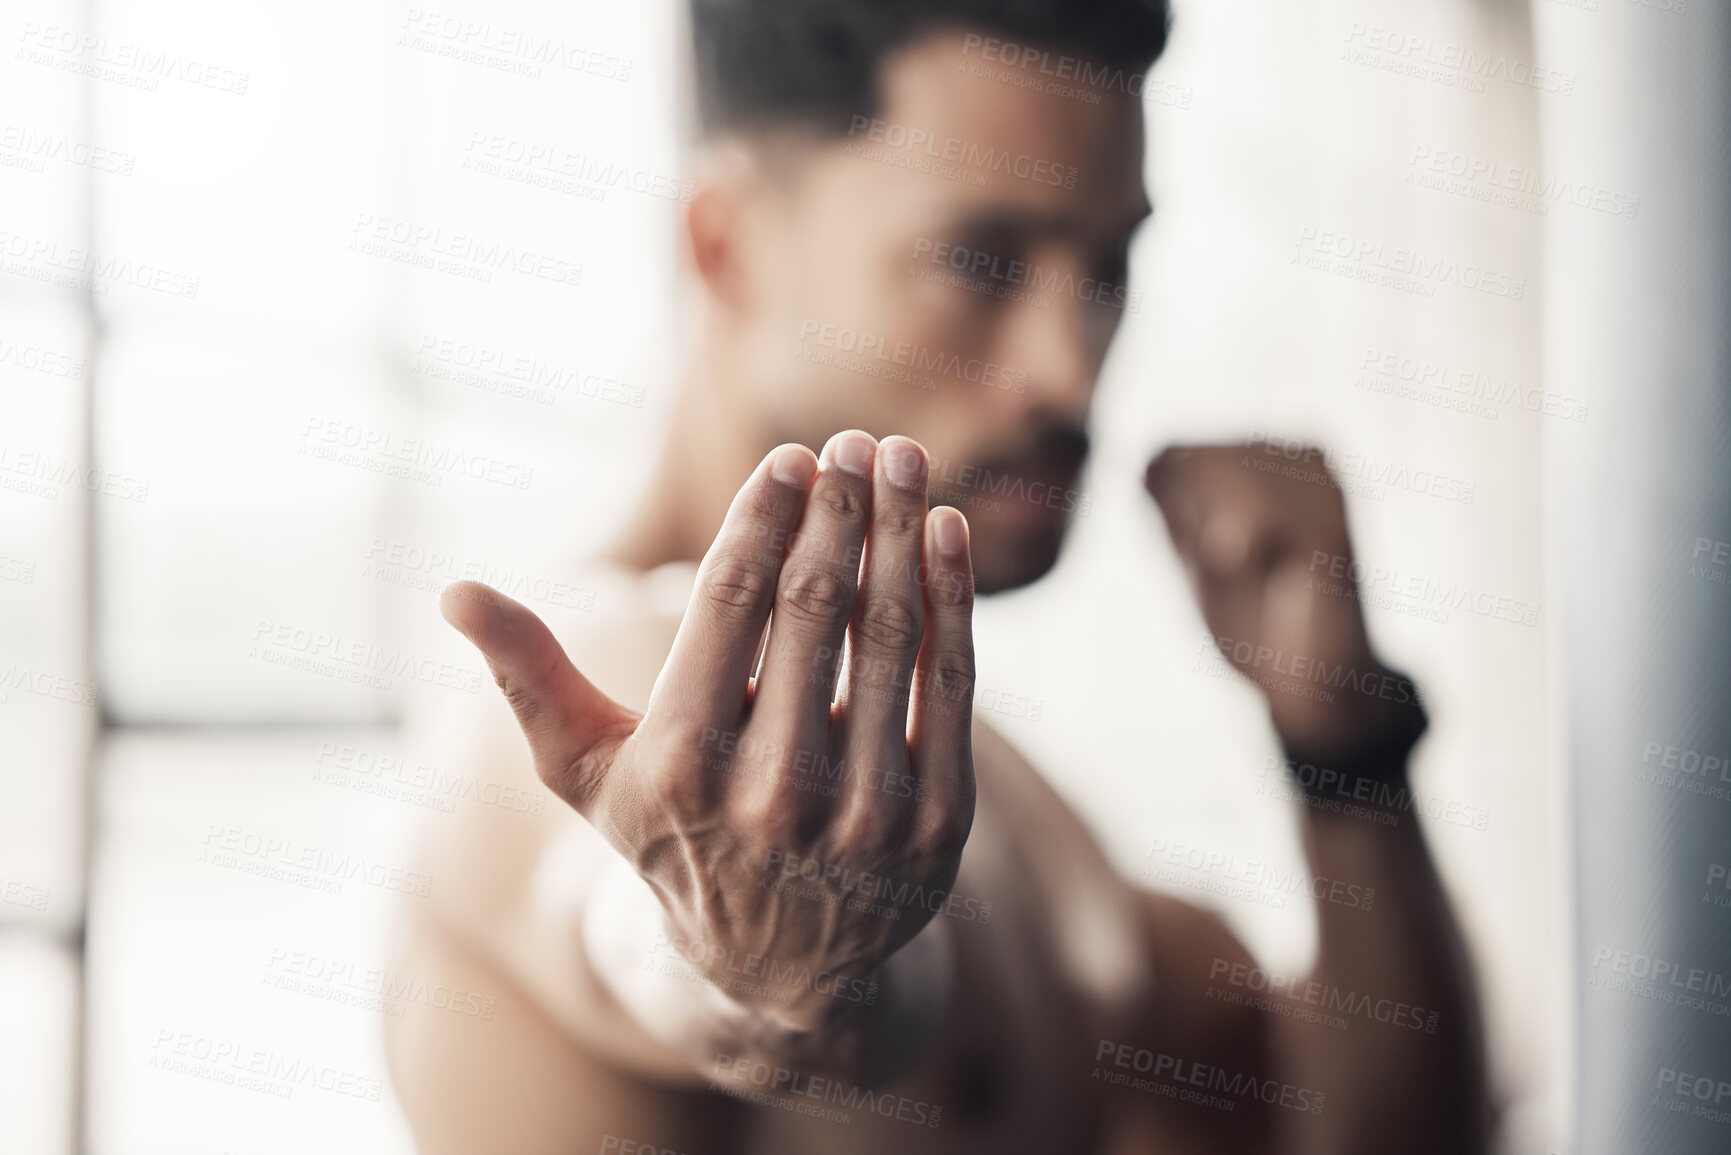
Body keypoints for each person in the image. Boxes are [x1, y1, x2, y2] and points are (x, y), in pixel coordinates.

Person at [384, 1, 1492, 1151]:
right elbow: (636, 928)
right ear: (727, 246)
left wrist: (1347, 755)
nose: (1072, 371)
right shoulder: (578, 698)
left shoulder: (1007, 810)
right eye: (980, 259)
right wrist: (762, 972)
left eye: (1107, 267)